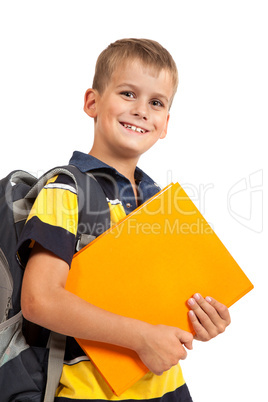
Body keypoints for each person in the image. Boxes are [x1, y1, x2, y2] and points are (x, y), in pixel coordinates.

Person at [18, 38, 231, 401]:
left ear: (165, 124)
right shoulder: (67, 190)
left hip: (169, 388)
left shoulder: (161, 201)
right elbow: (40, 300)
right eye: (128, 94)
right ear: (93, 102)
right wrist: (141, 338)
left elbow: (161, 300)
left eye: (156, 102)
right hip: (90, 393)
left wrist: (202, 318)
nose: (141, 110)